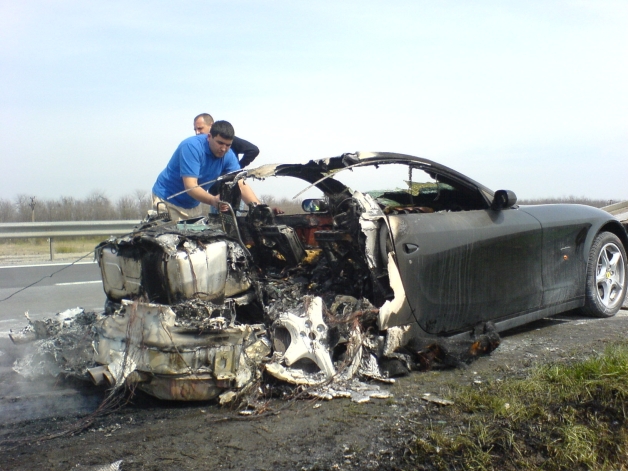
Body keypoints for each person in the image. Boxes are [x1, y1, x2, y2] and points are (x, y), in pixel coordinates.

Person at [152, 120, 263, 221]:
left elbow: (241, 185)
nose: (224, 148)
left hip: (192, 205)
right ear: (209, 137)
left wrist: (259, 209)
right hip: (167, 201)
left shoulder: (228, 155)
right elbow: (190, 186)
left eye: (228, 145)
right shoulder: (191, 147)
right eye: (220, 143)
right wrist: (213, 200)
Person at [193, 113, 259, 168]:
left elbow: (253, 150)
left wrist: (237, 168)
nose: (197, 132)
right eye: (195, 129)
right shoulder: (197, 146)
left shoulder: (226, 139)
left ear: (211, 126)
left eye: (200, 128)